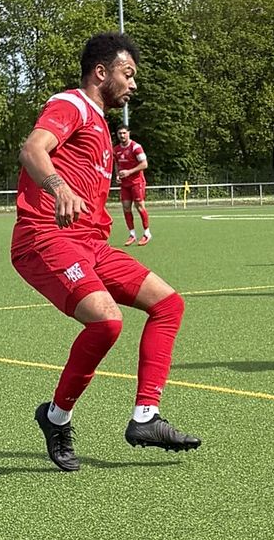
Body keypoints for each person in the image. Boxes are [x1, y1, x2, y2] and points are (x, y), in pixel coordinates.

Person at [11, 32, 200, 471]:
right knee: (107, 322)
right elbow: (33, 149)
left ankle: (145, 417)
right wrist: (57, 188)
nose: (133, 84)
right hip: (44, 237)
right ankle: (58, 418)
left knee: (169, 304)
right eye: (127, 74)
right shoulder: (72, 104)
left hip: (90, 244)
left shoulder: (101, 128)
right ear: (101, 72)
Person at [114, 124, 152, 246]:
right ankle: (132, 234)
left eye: (124, 133)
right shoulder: (116, 149)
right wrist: (117, 175)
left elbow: (144, 164)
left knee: (139, 206)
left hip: (136, 182)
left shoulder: (136, 147)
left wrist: (129, 172)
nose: (122, 135)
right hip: (125, 184)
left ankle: (147, 233)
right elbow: (117, 164)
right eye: (120, 133)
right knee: (126, 207)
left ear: (129, 133)